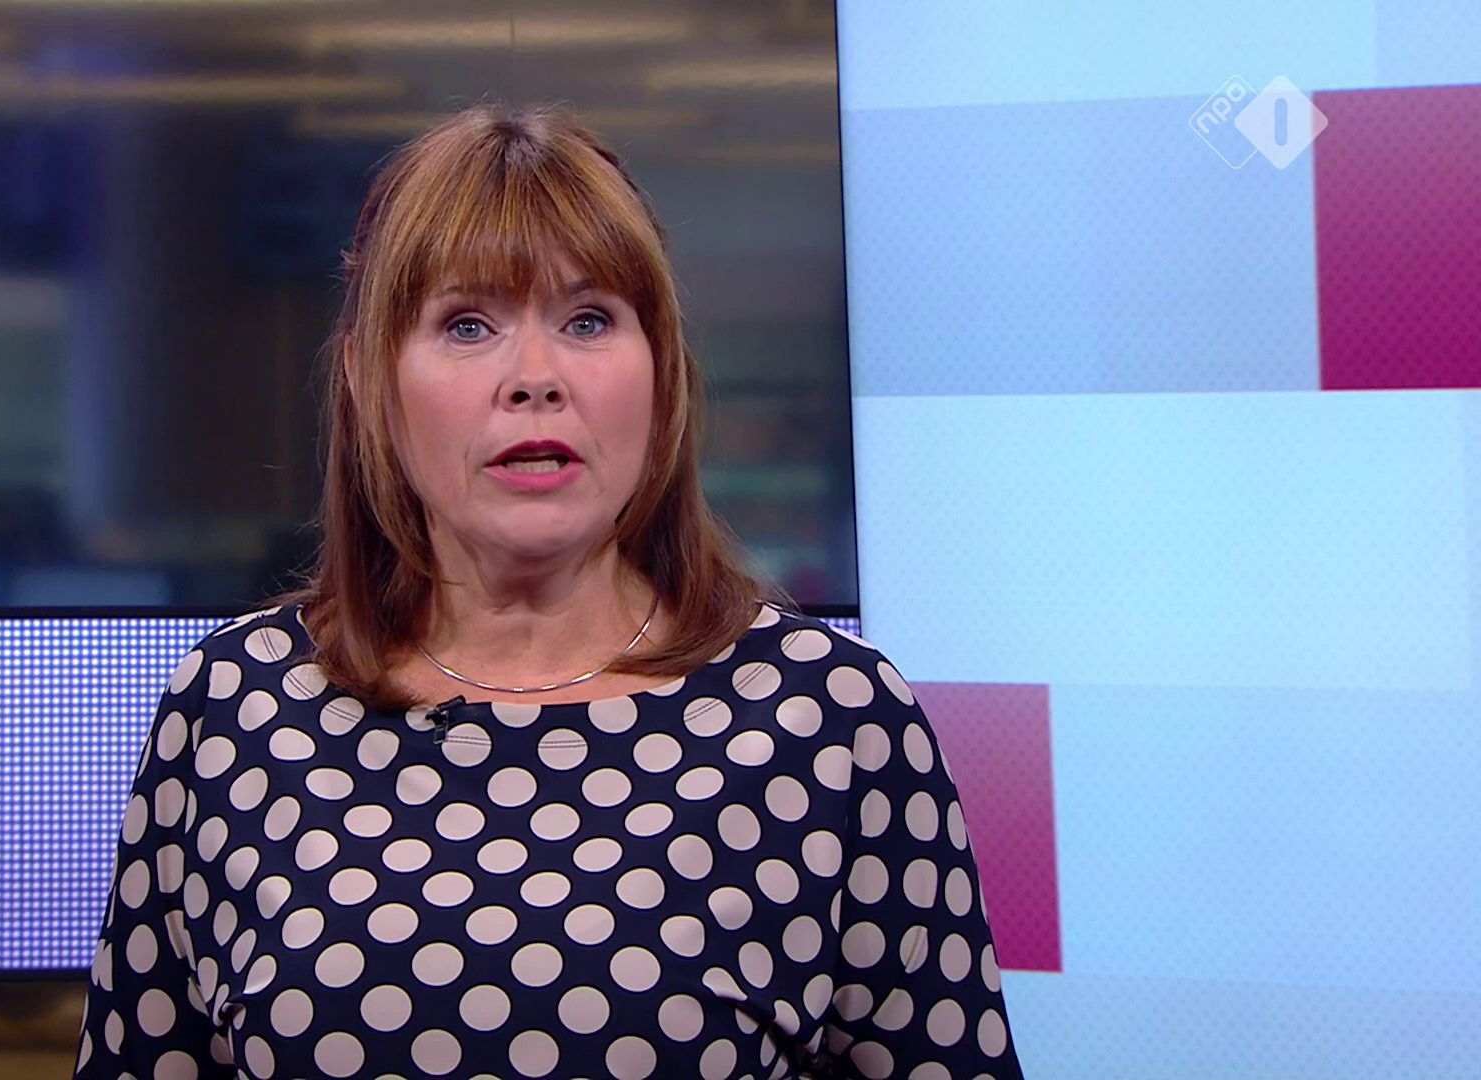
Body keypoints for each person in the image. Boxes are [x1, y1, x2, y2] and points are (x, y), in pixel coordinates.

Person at [74, 101, 1025, 1080]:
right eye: (468, 324)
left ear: (661, 372)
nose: (535, 377)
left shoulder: (833, 720)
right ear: (366, 378)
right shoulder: (234, 708)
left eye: (587, 320)